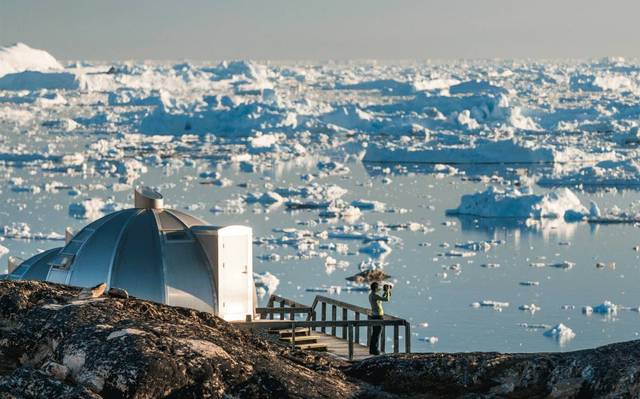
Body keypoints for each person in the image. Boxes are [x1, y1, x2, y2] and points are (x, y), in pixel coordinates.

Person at [368, 281, 391, 355]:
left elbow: (382, 299)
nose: (379, 288)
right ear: (376, 288)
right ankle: (375, 350)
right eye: (378, 287)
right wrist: (387, 291)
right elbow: (386, 299)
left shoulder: (371, 295)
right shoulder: (375, 295)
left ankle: (372, 349)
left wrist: (386, 292)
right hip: (378, 316)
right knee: (377, 333)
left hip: (374, 315)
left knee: (375, 333)